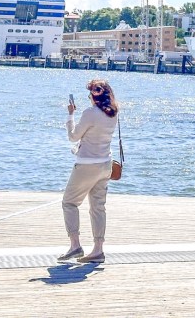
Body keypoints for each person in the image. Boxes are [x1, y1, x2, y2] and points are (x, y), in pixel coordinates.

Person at [60, 79, 119, 264]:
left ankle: (75, 245)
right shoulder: (113, 113)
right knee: (98, 207)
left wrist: (70, 116)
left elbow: (73, 137)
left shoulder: (90, 113)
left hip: (87, 165)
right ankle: (98, 250)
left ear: (94, 96)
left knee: (69, 203)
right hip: (105, 165)